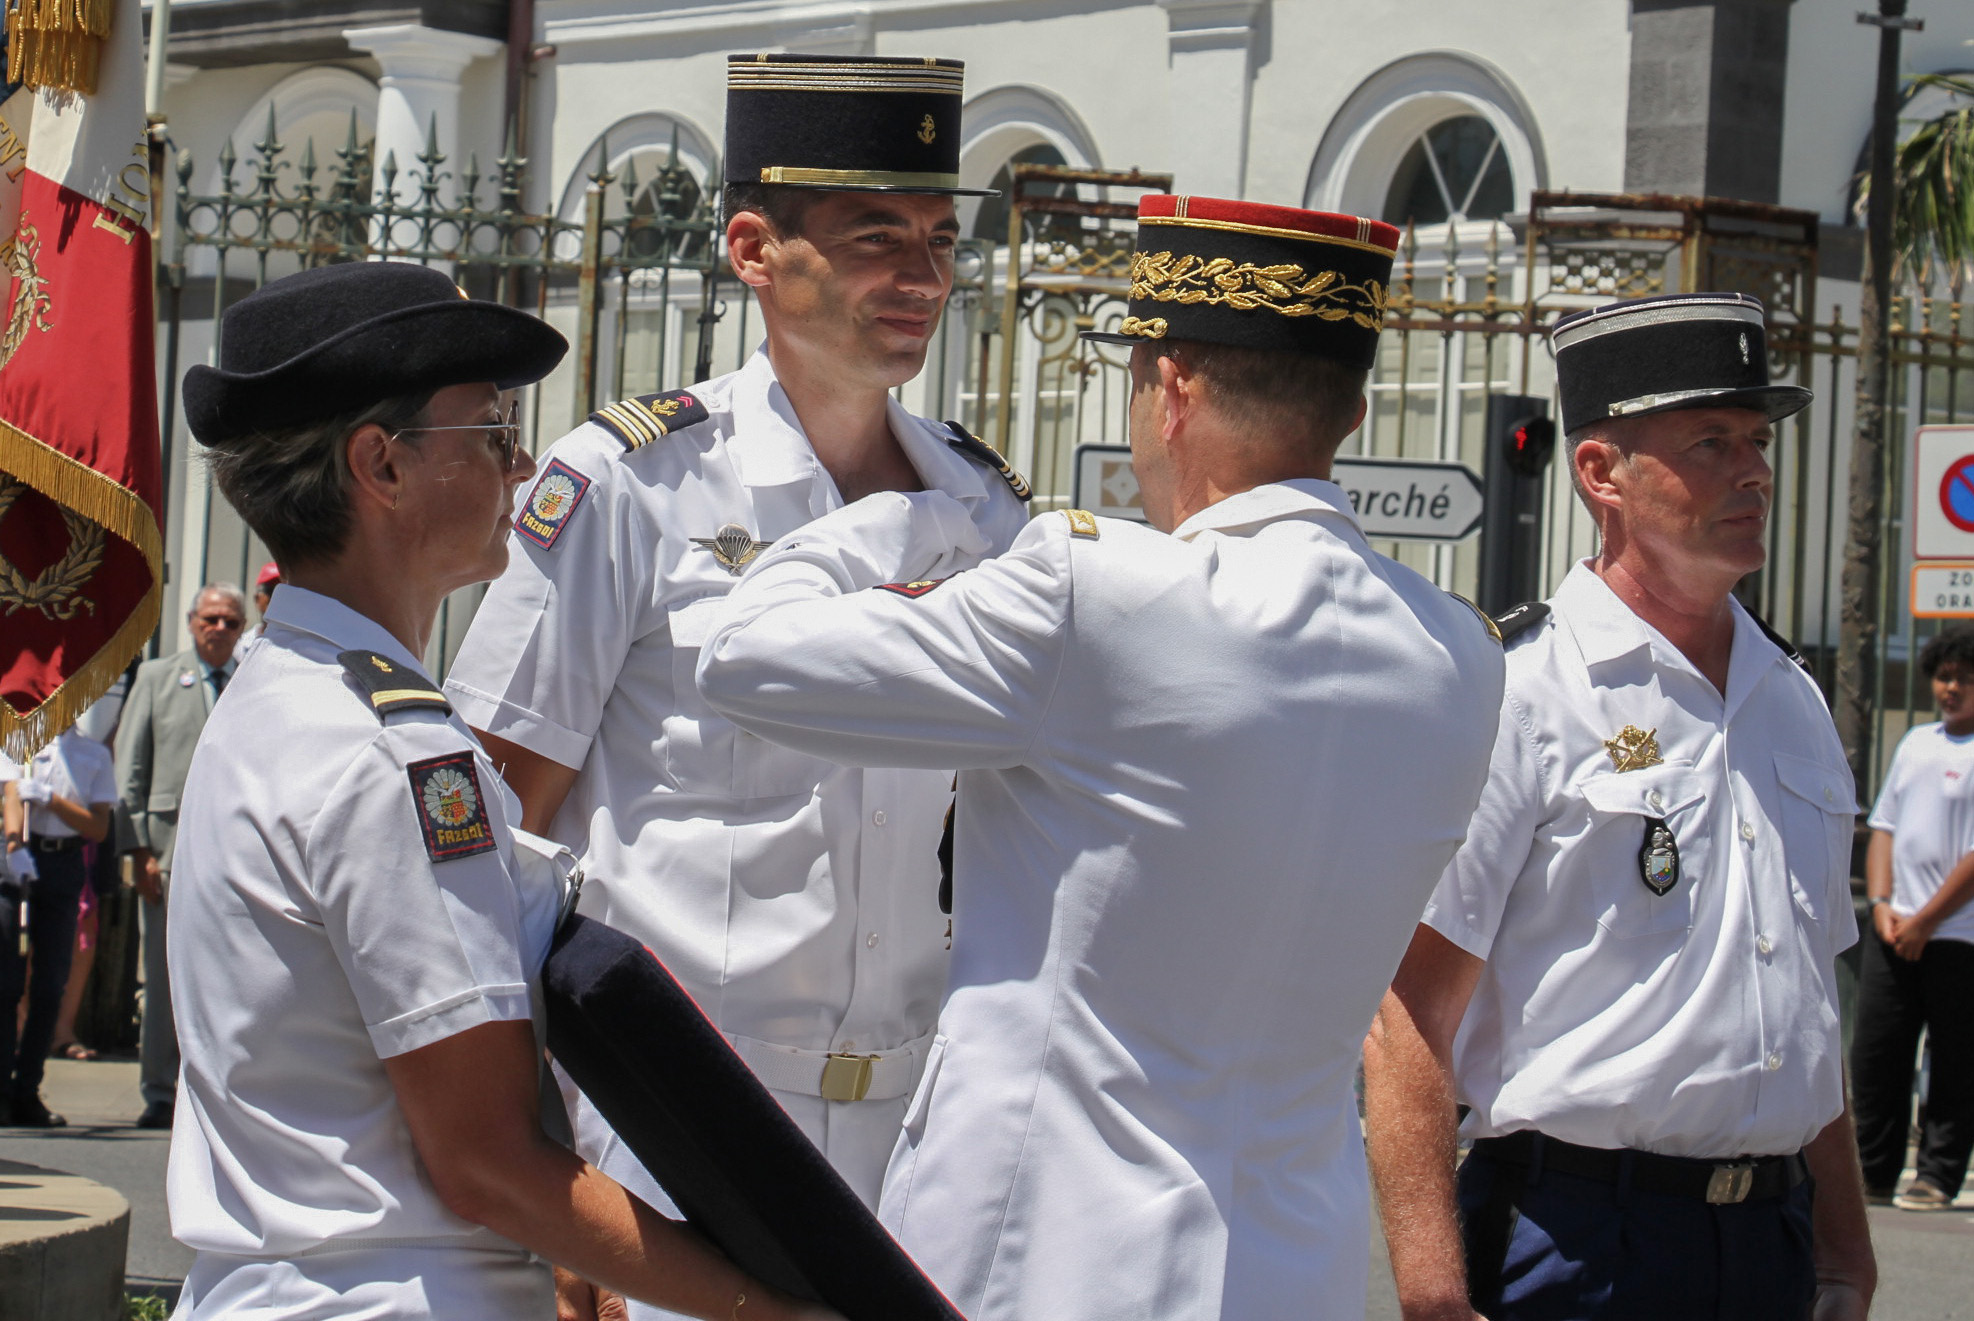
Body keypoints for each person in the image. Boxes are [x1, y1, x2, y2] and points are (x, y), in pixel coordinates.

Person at [696, 193, 1507, 1321]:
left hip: (1046, 1259)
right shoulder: (1459, 655)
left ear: (1172, 391)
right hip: (1289, 1271)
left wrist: (900, 513)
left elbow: (744, 657)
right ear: (1355, 408)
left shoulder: (1099, 592)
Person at [442, 52, 1028, 1319]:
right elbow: (497, 831)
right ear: (754, 248)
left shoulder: (982, 511)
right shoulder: (635, 486)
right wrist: (551, 1170)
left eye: (939, 236)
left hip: (926, 1120)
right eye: (877, 236)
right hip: (681, 1129)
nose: (922, 276)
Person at [166, 259, 839, 1321]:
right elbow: (483, 1159)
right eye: (490, 431)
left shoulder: (281, 695)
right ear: (380, 466)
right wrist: (771, 1308)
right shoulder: (389, 754)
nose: (523, 464)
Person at [1363, 292, 1877, 1321]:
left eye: (1757, 440)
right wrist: (1430, 1294)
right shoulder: (1521, 689)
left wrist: (1845, 1249)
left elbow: (1804, 999)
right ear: (1603, 474)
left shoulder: (1793, 700)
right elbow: (1408, 1018)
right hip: (1583, 1237)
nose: (1755, 470)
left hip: (1770, 1237)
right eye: (1711, 441)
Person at [116, 582, 247, 1130]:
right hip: (166, 855)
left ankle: (217, 1094)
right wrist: (138, 851)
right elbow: (130, 772)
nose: (219, 629)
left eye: (231, 622)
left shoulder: (252, 682)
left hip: (235, 856)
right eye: (210, 619)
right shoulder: (155, 677)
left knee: (230, 980)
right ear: (192, 621)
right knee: (163, 977)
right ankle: (160, 1091)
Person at [1852, 624, 1974, 1211]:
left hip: (1958, 936)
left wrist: (1927, 919)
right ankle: (1871, 1173)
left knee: (1955, 1060)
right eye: (1945, 677)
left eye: (1964, 680)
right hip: (1894, 929)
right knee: (1877, 1054)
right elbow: (1884, 827)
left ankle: (1937, 1175)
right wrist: (1883, 905)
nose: (1951, 689)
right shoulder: (1916, 744)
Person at [3, 722, 115, 1126]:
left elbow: (98, 826)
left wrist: (51, 800)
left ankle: (27, 1089)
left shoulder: (93, 753)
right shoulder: (19, 746)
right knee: (9, 981)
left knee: (50, 984)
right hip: (20, 860)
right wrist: (14, 844)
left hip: (64, 861)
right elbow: (10, 794)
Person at [231, 562, 281, 667]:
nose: (280, 599)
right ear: (257, 599)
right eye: (273, 591)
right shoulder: (238, 648)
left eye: (286, 593)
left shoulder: (307, 647)